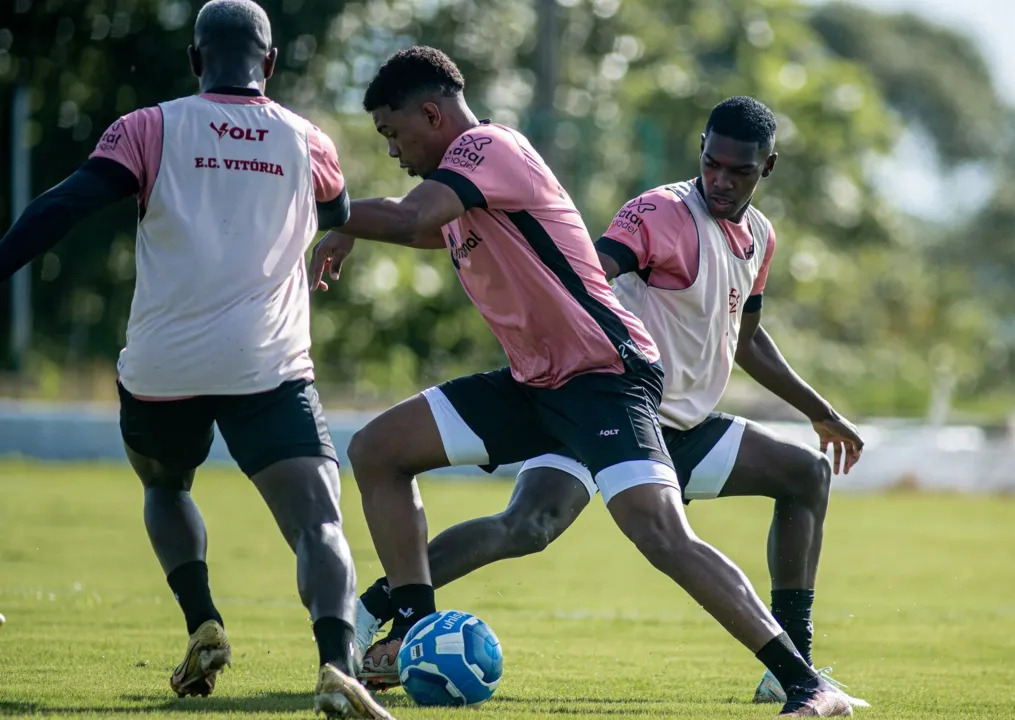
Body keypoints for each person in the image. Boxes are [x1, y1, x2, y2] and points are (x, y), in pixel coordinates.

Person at [312, 47, 853, 717]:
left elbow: (408, 218)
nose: (393, 149)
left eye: (395, 133)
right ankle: (417, 633)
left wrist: (323, 208)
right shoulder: (463, 195)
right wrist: (354, 228)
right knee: (379, 450)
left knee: (659, 533)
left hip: (603, 373)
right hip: (538, 382)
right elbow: (415, 224)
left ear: (432, 112)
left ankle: (806, 684)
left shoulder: (488, 148)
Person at [0, 1, 389, 717]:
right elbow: (337, 213)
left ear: (194, 60)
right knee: (318, 523)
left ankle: (202, 620)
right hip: (266, 367)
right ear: (269, 63)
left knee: (166, 487)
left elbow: (64, 205)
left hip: (162, 369)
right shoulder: (310, 141)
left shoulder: (149, 127)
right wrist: (337, 236)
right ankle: (338, 666)